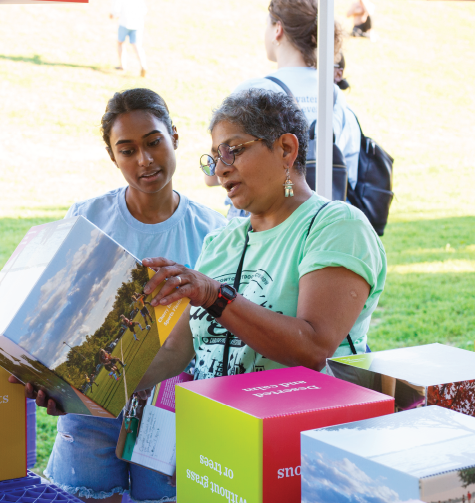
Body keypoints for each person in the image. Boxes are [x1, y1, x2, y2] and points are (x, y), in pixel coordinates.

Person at [17, 88, 225, 503]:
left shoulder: (214, 231)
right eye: (127, 150)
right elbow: (58, 315)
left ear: (174, 137)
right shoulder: (86, 219)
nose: (144, 160)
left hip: (172, 407)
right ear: (112, 157)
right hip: (93, 408)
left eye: (153, 142)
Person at [136, 88, 385, 385]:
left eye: (233, 151)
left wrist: (214, 295)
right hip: (214, 426)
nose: (219, 170)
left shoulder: (337, 226)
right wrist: (86, 389)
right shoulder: (221, 241)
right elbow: (176, 350)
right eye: (215, 157)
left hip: (302, 426)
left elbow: (313, 349)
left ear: (286, 149)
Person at [206, 0, 361, 218]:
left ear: (277, 29)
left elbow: (214, 173)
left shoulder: (253, 92)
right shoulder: (335, 96)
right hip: (322, 218)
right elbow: (351, 170)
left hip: (259, 224)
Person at [110, 0, 148, 77]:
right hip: (137, 24)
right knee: (137, 46)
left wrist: (113, 15)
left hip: (124, 23)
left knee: (120, 43)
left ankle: (122, 65)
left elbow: (115, 10)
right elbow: (144, 11)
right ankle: (143, 65)